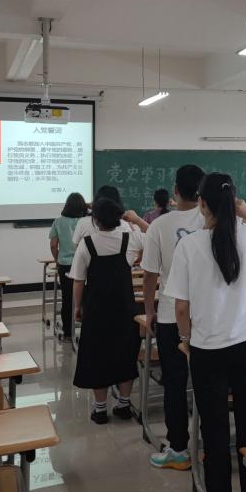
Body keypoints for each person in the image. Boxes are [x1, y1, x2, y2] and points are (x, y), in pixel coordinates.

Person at [164, 174, 246, 492]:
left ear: (202, 204)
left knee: (213, 435)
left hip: (208, 351)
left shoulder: (189, 245)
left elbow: (181, 308)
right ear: (234, 203)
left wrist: (185, 341)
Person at [142, 165, 205, 471]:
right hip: (208, 314)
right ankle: (209, 444)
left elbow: (150, 274)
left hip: (171, 314)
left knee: (175, 383)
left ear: (176, 190)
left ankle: (179, 448)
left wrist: (149, 310)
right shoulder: (212, 218)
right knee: (208, 381)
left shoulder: (159, 225)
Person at [69, 196, 143, 424]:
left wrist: (77, 307)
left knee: (97, 355)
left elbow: (78, 281)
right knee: (126, 353)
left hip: (97, 308)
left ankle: (100, 409)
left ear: (95, 220)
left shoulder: (87, 244)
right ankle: (123, 404)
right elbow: (148, 243)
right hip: (124, 307)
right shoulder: (129, 239)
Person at [49, 192, 87, 340]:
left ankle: (68, 333)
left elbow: (53, 245)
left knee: (67, 298)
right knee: (85, 297)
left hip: (65, 265)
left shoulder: (58, 222)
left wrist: (57, 260)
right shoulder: (86, 222)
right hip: (84, 264)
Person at [74, 185, 148, 246]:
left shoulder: (83, 223)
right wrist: (137, 220)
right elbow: (150, 238)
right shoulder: (126, 226)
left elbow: (76, 246)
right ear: (117, 203)